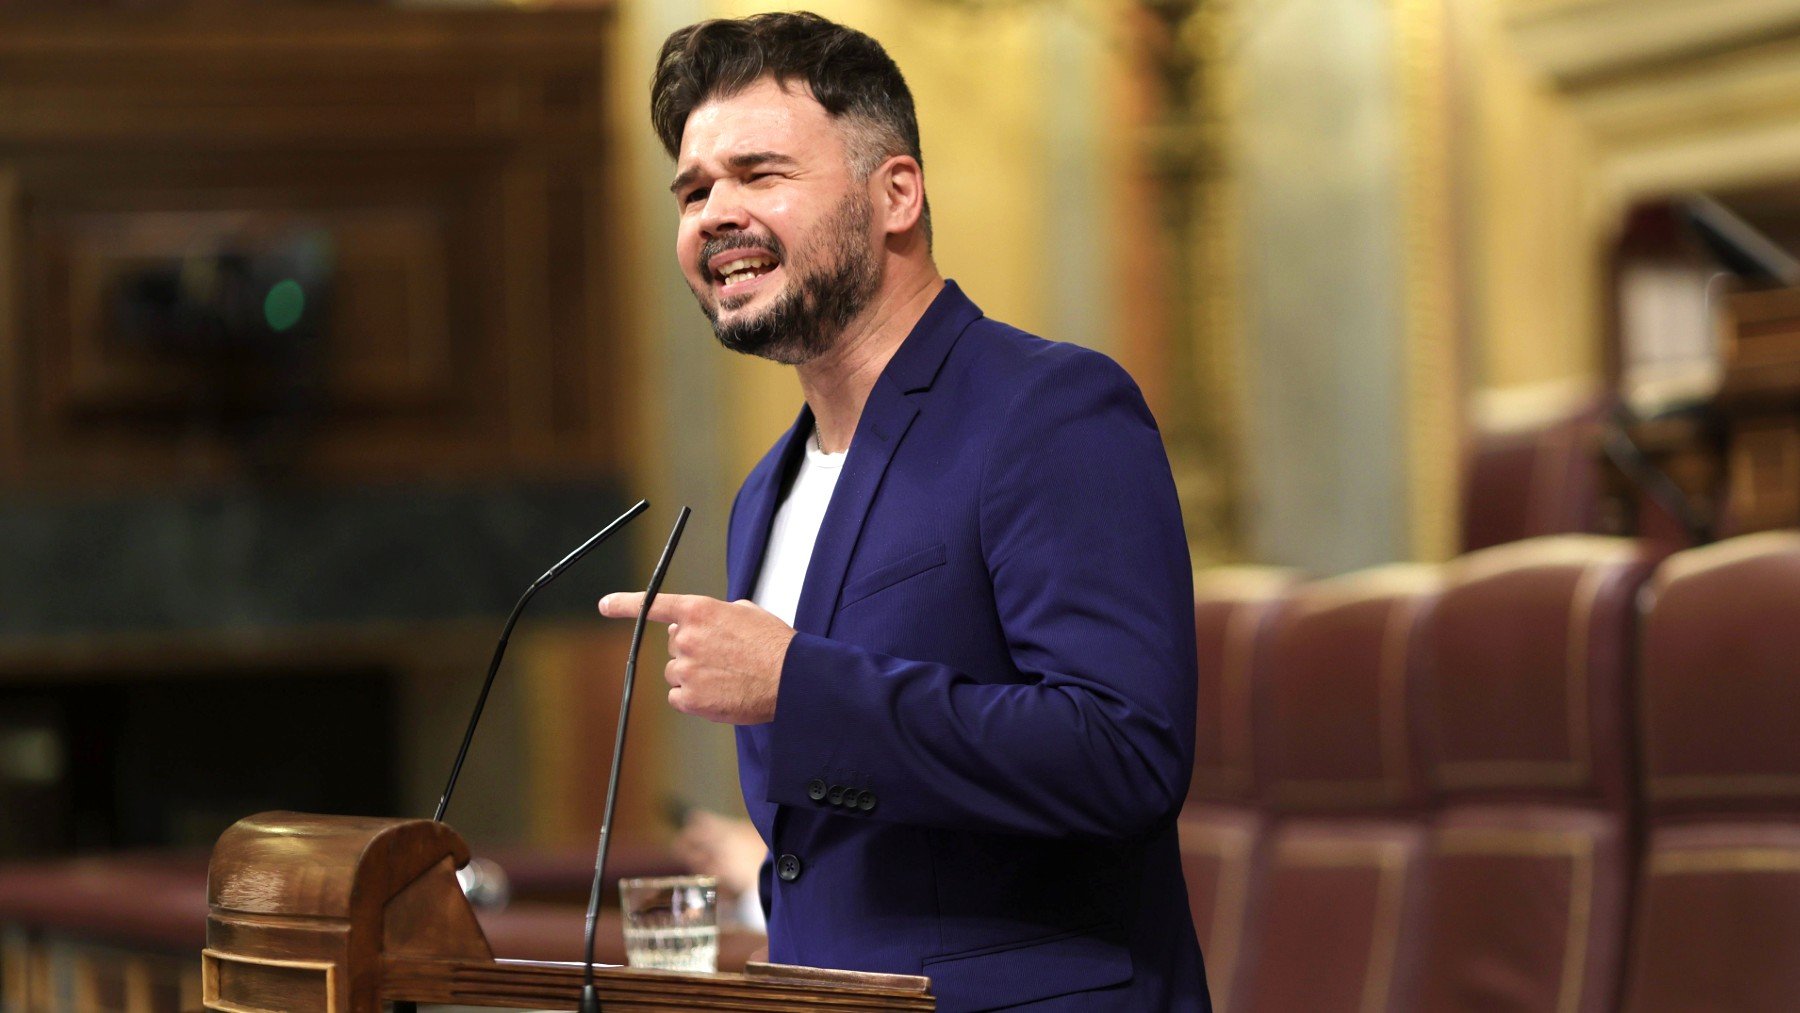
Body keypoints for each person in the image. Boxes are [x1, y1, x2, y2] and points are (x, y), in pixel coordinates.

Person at [599, 12, 1208, 1010]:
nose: (714, 213)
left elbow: (1124, 752)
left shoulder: (1048, 409)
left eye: (760, 175)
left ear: (896, 194)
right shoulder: (766, 492)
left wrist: (801, 684)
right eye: (695, 189)